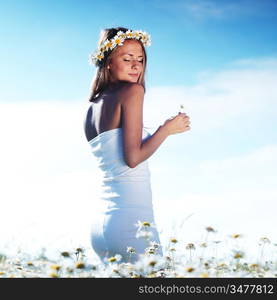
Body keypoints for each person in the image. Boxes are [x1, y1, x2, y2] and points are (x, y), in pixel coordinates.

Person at [83, 27, 191, 264]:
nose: (136, 65)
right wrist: (167, 130)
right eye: (127, 58)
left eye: (140, 59)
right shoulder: (132, 91)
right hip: (131, 221)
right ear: (108, 62)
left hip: (102, 226)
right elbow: (132, 158)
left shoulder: (93, 106)